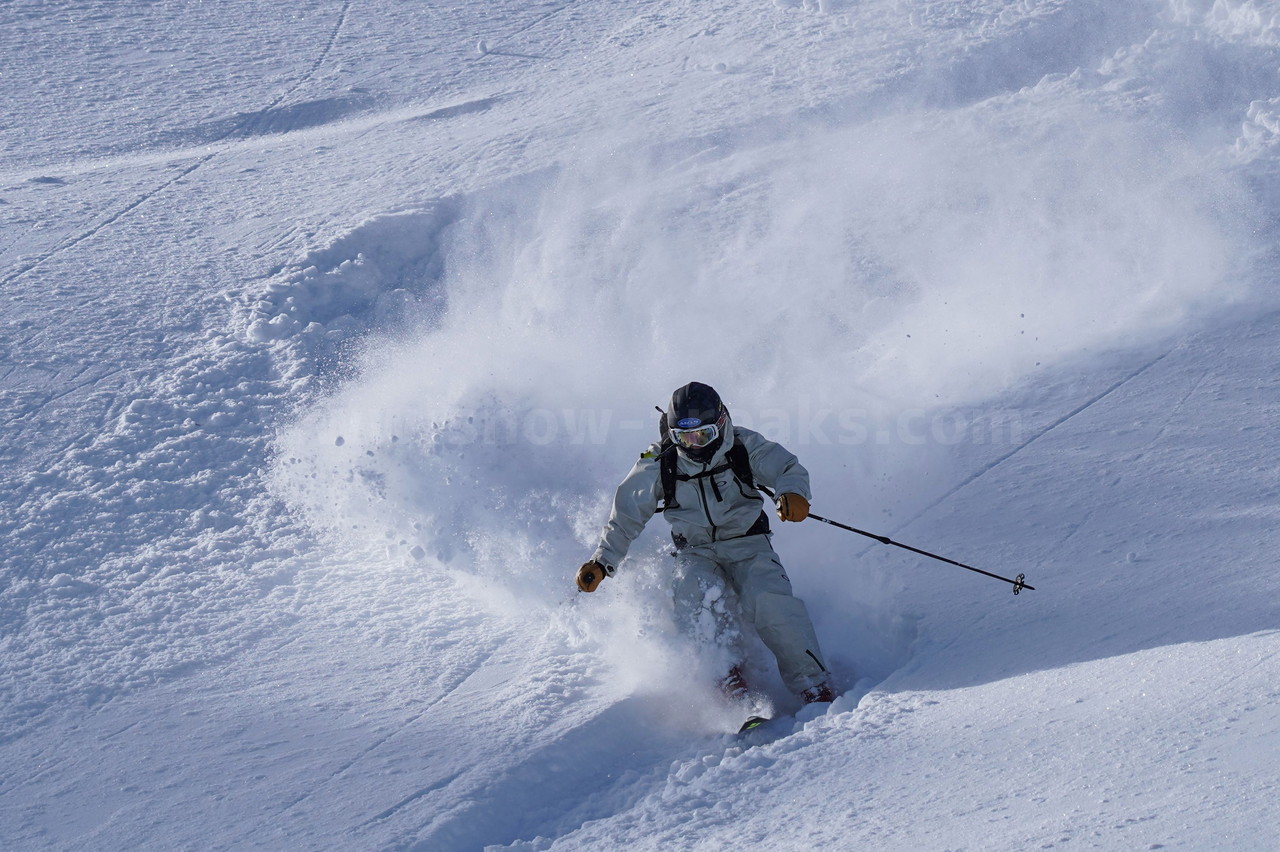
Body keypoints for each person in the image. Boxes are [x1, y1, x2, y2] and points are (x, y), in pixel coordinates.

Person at [576, 381, 835, 706]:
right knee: (693, 595)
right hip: (696, 552)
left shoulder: (742, 445)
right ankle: (727, 680)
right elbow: (627, 512)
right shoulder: (660, 461)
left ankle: (814, 684)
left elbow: (786, 468)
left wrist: (791, 493)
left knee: (770, 602)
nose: (695, 445)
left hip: (749, 544)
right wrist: (602, 561)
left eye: (703, 435)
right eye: (684, 438)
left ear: (721, 424)